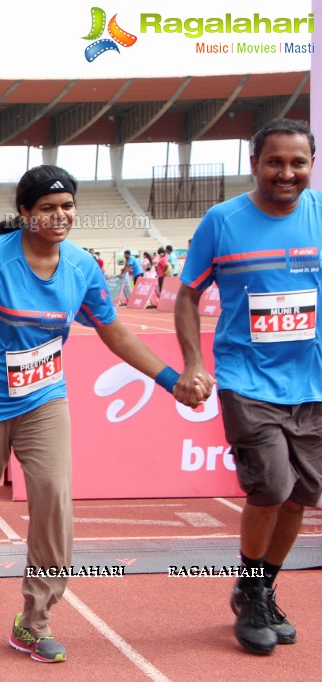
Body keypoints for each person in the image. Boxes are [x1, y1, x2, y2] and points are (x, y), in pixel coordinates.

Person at [0, 164, 207, 665]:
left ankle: (35, 621)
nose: (59, 216)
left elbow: (115, 332)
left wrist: (170, 380)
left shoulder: (82, 268)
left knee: (53, 496)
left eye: (67, 207)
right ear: (24, 214)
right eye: (47, 208)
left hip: (43, 398)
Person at [174, 118, 321, 656]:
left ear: (309, 164)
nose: (286, 173)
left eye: (297, 163)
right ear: (255, 163)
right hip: (246, 378)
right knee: (271, 487)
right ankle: (253, 588)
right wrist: (194, 362)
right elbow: (188, 294)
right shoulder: (223, 221)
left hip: (314, 384)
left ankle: (260, 589)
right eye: (275, 162)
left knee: (300, 497)